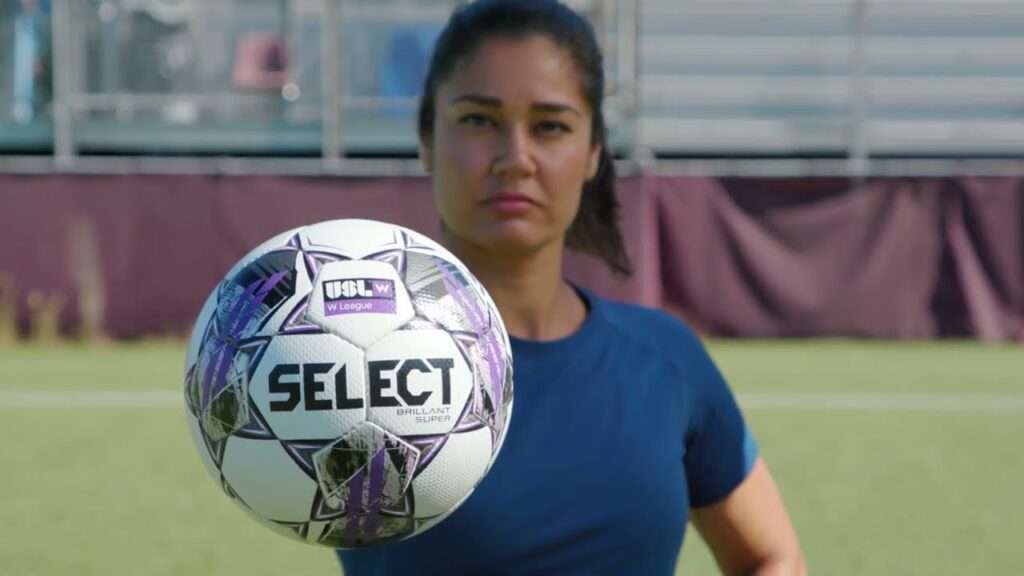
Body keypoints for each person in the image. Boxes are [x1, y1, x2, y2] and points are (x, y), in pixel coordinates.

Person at [338, 1, 805, 574]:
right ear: (426, 137)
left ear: (592, 153)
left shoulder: (665, 360)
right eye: (479, 120)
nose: (515, 159)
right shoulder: (353, 362)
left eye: (550, 126)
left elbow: (768, 555)